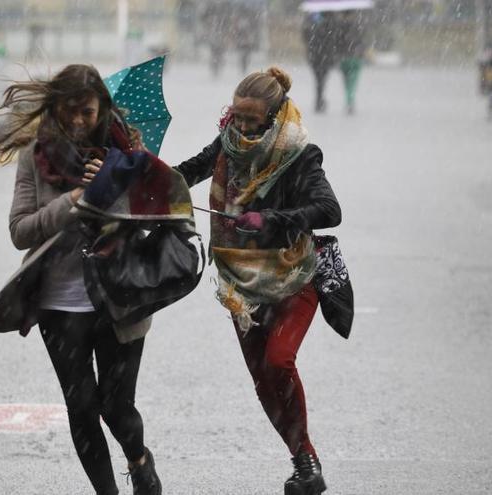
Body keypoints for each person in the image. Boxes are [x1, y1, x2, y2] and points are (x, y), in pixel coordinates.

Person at [0, 64, 162, 495]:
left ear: (102, 107)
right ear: (56, 108)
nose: (79, 121)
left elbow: (148, 223)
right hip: (58, 303)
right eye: (70, 112)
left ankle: (139, 459)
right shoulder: (36, 155)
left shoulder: (127, 150)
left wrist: (112, 188)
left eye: (87, 112)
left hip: (118, 297)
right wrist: (72, 200)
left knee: (116, 407)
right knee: (82, 407)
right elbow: (20, 231)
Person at [175, 66, 341, 495]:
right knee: (263, 380)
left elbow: (328, 209)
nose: (242, 128)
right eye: (236, 117)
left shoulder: (300, 152)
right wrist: (138, 171)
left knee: (278, 360)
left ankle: (304, 460)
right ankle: (305, 462)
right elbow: (187, 172)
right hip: (241, 283)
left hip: (293, 274)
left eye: (252, 120)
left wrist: (268, 221)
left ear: (275, 114)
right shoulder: (227, 142)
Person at [303, 12, 341, 113]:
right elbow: (336, 39)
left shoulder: (311, 20)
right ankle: (320, 99)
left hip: (315, 56)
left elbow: (305, 37)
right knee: (322, 79)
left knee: (318, 79)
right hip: (325, 56)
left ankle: (319, 99)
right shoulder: (332, 22)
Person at [337, 10, 366, 115]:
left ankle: (348, 99)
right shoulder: (358, 25)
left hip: (343, 58)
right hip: (355, 57)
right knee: (352, 82)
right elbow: (361, 41)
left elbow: (337, 42)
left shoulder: (339, 26)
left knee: (346, 81)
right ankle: (350, 101)